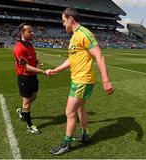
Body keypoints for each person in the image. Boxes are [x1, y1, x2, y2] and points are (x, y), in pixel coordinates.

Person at [45, 8, 114, 155]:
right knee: (79, 109)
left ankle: (66, 144)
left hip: (83, 80)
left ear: (70, 19)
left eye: (63, 21)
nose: (63, 24)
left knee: (69, 112)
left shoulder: (85, 33)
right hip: (78, 79)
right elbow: (72, 59)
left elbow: (99, 56)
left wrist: (106, 80)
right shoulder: (74, 36)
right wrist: (56, 70)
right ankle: (84, 135)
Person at [13, 23, 45, 135]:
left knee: (34, 96)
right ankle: (30, 126)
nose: (32, 33)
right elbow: (26, 66)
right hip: (24, 77)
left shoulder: (30, 45)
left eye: (32, 31)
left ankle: (21, 111)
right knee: (26, 102)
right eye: (29, 31)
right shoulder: (19, 48)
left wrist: (37, 61)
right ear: (22, 33)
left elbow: (32, 57)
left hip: (32, 76)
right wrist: (43, 72)